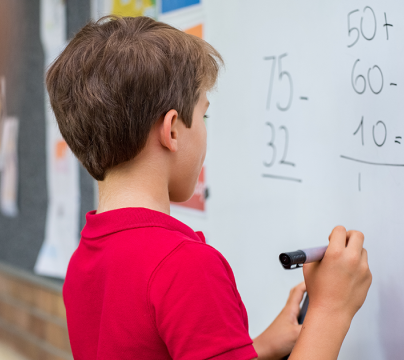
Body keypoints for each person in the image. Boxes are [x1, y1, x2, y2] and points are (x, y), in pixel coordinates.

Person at [46, 16, 372, 360]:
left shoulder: (87, 255)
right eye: (204, 116)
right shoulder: (184, 267)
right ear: (172, 131)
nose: (205, 130)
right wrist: (330, 311)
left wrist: (256, 348)